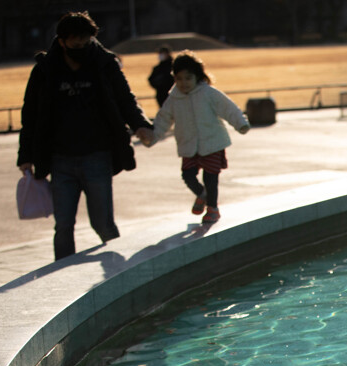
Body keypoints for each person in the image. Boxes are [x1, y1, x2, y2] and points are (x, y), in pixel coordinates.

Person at [17, 11, 154, 260]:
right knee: (63, 226)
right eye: (75, 44)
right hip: (60, 160)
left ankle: (118, 273)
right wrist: (25, 155)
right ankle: (61, 276)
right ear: (62, 41)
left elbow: (125, 99)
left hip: (97, 156)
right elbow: (31, 115)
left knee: (103, 224)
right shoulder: (45, 70)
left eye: (85, 43)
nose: (81, 48)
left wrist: (140, 124)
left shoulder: (104, 64)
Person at [145, 51, 250, 226]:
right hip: (188, 144)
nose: (183, 83)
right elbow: (163, 119)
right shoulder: (174, 98)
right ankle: (202, 195)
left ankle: (212, 209)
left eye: (188, 78)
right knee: (187, 175)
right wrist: (153, 136)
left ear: (198, 77)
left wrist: (241, 123)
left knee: (211, 177)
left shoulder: (208, 93)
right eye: (179, 79)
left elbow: (228, 108)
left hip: (212, 142)